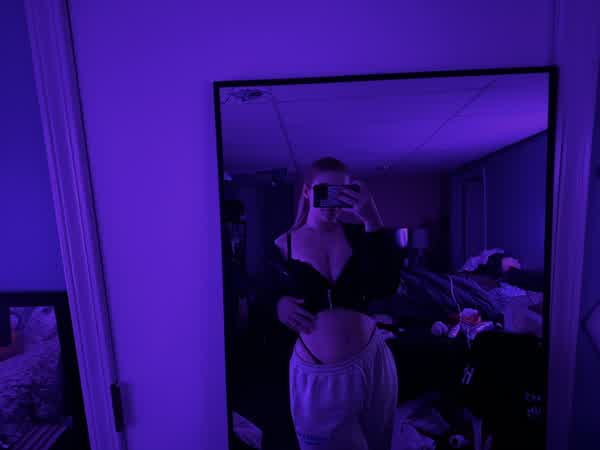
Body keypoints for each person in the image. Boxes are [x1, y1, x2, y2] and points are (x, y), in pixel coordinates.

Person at [265, 157, 404, 450]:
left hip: (372, 362)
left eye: (340, 193)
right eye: (324, 192)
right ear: (307, 192)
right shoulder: (283, 244)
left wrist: (371, 217)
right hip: (318, 373)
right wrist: (277, 305)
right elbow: (261, 299)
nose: (332, 203)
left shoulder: (359, 236)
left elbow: (387, 284)